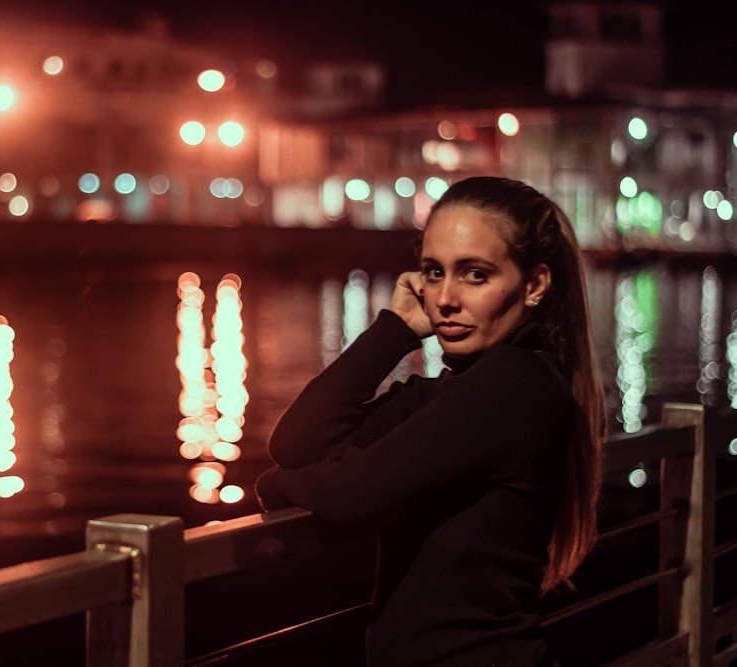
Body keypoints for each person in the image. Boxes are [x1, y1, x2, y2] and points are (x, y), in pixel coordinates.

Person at [256, 176, 605, 666]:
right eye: (433, 272)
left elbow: (354, 493)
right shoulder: (450, 392)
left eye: (476, 274)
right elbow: (297, 442)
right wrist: (396, 328)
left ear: (534, 285)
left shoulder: (517, 382)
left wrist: (277, 487)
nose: (444, 298)